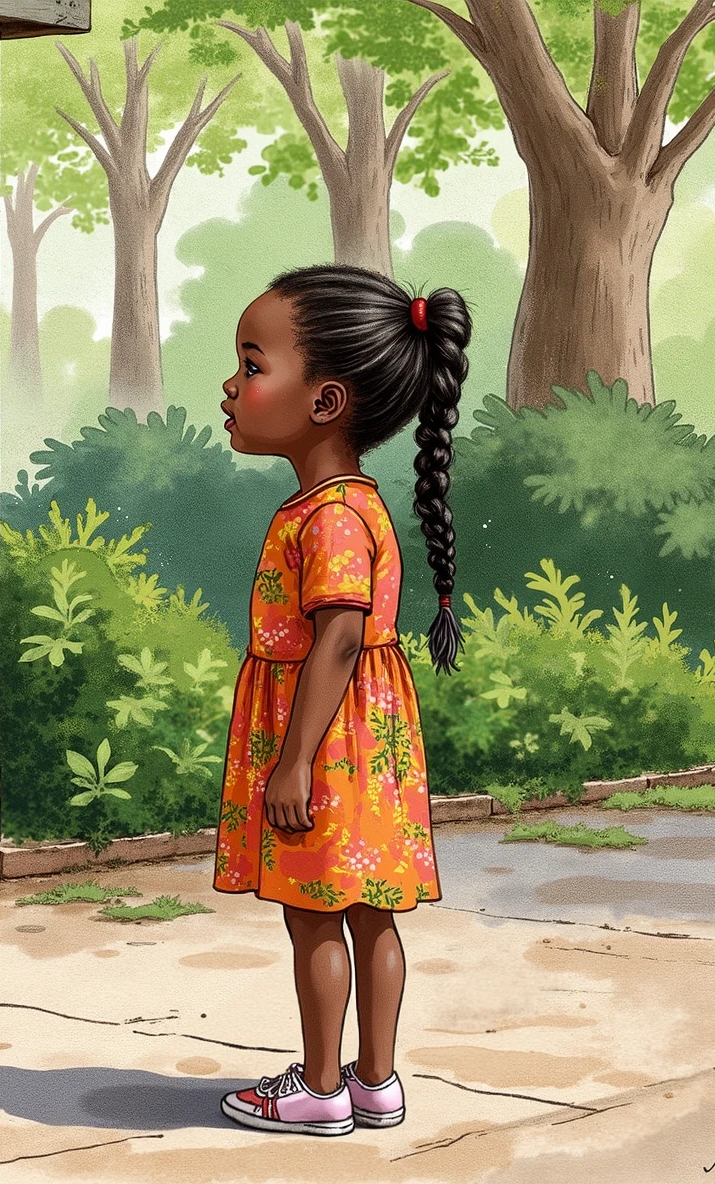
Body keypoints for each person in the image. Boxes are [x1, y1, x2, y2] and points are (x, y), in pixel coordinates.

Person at [210, 264, 470, 1137]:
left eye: (252, 365)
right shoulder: (344, 505)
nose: (232, 385)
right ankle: (375, 1081)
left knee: (316, 915)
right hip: (371, 742)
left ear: (324, 402)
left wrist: (292, 760)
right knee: (370, 916)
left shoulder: (326, 516)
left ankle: (321, 1089)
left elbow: (341, 637)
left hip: (327, 746)